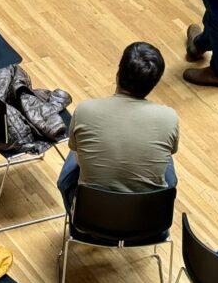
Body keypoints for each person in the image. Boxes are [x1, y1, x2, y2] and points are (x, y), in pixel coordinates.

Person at [57, 42, 179, 212]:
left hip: (89, 222)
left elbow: (79, 160)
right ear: (153, 84)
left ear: (118, 74)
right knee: (164, 156)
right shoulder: (169, 118)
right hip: (148, 227)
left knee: (77, 148)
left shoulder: (85, 111)